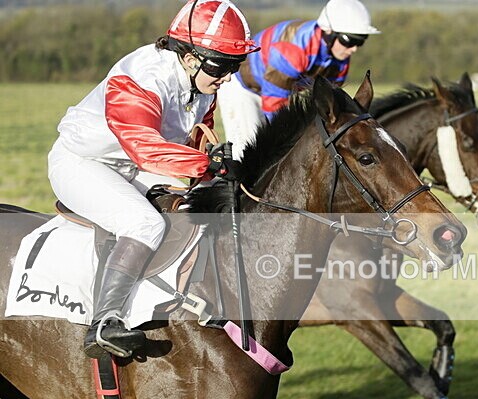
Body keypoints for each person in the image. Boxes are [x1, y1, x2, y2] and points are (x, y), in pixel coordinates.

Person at [47, 0, 259, 359]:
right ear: (190, 56)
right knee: (143, 223)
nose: (227, 76)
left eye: (235, 65)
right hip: (83, 163)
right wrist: (207, 164)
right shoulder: (142, 76)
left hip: (132, 164)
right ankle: (103, 324)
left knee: (202, 207)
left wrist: (214, 173)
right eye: (222, 65)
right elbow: (144, 146)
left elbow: (191, 139)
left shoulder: (203, 83)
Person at [217, 0, 380, 159]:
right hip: (243, 88)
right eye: (349, 40)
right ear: (328, 32)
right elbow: (274, 104)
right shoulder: (294, 49)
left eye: (360, 41)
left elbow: (330, 101)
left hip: (278, 92)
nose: (354, 49)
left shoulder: (340, 56)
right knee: (248, 152)